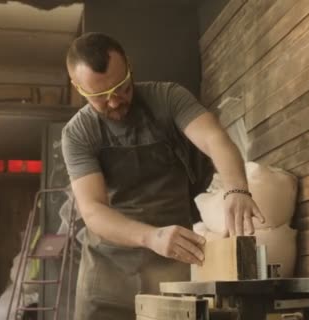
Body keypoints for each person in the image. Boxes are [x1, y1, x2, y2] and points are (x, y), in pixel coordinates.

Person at [61, 32, 264, 319]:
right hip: (107, 273)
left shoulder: (167, 97)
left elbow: (214, 138)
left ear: (129, 66)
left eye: (121, 87)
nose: (115, 101)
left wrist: (236, 189)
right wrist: (151, 237)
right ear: (78, 87)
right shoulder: (77, 134)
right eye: (100, 97)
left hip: (173, 261)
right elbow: (93, 210)